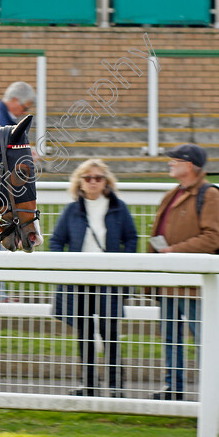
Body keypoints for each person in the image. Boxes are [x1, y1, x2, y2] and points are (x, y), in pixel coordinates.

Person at [50, 159, 137, 397]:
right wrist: (67, 265)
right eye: (88, 178)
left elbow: (131, 238)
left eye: (98, 178)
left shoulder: (118, 208)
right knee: (85, 333)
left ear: (106, 182)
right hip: (80, 280)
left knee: (110, 332)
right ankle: (89, 386)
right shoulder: (72, 210)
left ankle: (116, 387)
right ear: (80, 182)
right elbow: (56, 241)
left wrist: (121, 263)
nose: (93, 183)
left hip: (108, 278)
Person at [149, 143, 219, 401]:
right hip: (170, 280)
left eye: (175, 160)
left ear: (190, 165)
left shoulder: (210, 194)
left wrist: (175, 251)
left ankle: (212, 392)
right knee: (171, 339)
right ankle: (174, 389)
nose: (170, 163)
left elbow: (214, 237)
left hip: (196, 283)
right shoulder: (171, 195)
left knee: (203, 339)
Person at [0, 81, 37, 301]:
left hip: (1, 190)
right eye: (24, 107)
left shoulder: (2, 118)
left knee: (0, 240)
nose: (24, 112)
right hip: (1, 192)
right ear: (14, 100)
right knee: (0, 240)